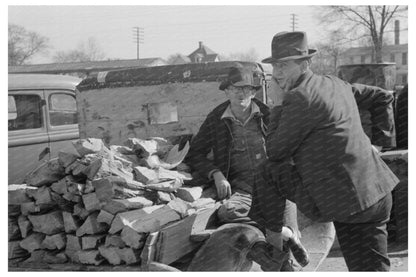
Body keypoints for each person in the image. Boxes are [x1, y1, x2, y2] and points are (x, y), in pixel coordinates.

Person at [249, 31, 399, 271]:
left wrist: (276, 105)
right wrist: (380, 143)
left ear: (306, 63)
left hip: (349, 204)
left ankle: (275, 253)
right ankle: (281, 240)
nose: (277, 74)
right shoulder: (335, 82)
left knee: (268, 171)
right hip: (378, 193)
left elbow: (275, 152)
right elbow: (382, 97)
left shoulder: (299, 98)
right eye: (275, 66)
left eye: (285, 66)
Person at [186, 63, 308, 270]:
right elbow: (195, 153)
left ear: (253, 92)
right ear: (226, 91)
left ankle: (283, 248)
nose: (241, 93)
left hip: (276, 187)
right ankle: (283, 236)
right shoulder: (216, 119)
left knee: (281, 231)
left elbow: (292, 147)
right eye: (235, 88)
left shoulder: (269, 115)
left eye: (246, 89)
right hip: (242, 189)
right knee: (227, 212)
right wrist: (215, 174)